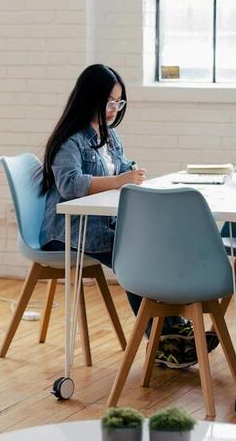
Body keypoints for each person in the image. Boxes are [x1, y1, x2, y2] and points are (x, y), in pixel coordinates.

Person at [39, 63, 215, 369]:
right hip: (68, 232)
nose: (113, 109)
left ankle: (172, 332)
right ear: (88, 97)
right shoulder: (70, 140)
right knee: (136, 255)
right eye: (109, 102)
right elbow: (69, 185)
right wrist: (121, 180)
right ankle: (164, 339)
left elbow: (121, 169)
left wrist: (131, 174)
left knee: (152, 243)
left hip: (103, 224)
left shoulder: (110, 136)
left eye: (118, 103)